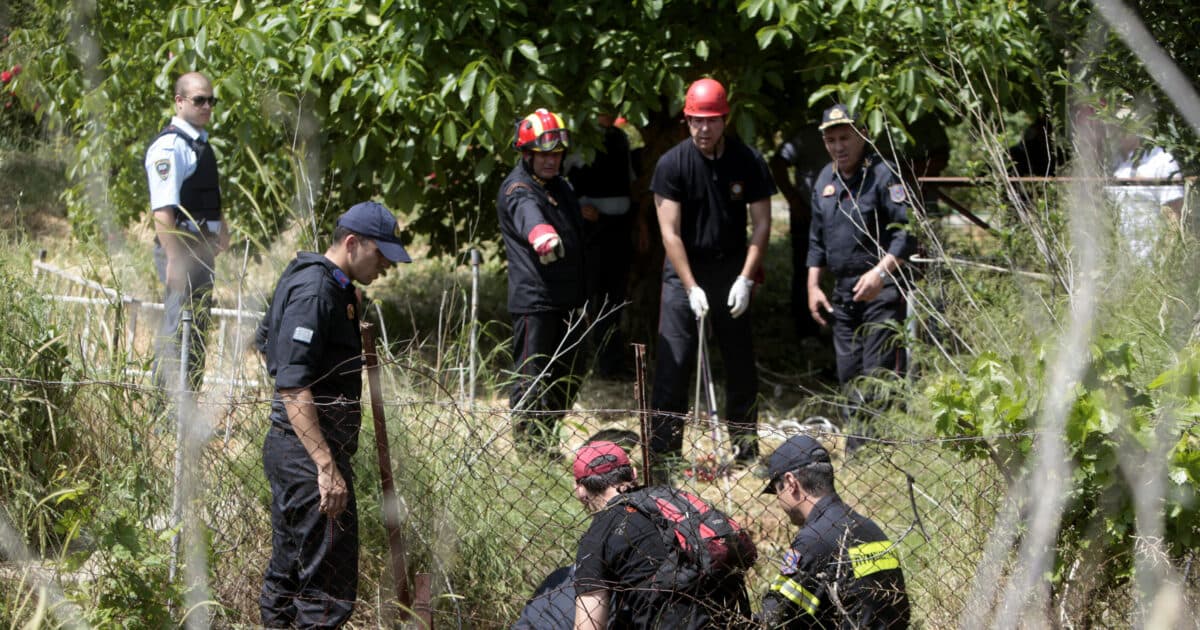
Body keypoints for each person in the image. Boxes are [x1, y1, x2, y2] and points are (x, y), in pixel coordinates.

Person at [257, 201, 411, 628]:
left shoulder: (324, 283)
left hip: (296, 449)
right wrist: (325, 466)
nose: (386, 265)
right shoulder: (316, 291)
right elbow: (292, 383)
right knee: (327, 590)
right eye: (380, 254)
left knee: (290, 573)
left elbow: (267, 343)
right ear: (352, 242)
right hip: (309, 457)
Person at [649, 77, 775, 472]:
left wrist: (746, 278)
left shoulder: (748, 160)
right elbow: (669, 233)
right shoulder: (672, 164)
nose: (704, 129)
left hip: (731, 270)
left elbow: (762, 223)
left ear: (725, 119)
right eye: (696, 121)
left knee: (740, 362)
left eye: (712, 120)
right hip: (683, 271)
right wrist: (690, 287)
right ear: (687, 120)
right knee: (674, 361)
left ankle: (745, 450)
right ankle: (664, 454)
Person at [807, 104, 915, 433]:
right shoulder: (824, 179)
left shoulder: (883, 174)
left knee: (878, 375)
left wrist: (880, 274)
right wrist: (813, 286)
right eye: (831, 140)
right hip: (843, 294)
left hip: (882, 290)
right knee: (849, 375)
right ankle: (857, 449)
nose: (838, 147)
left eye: (845, 138)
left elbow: (906, 234)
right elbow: (816, 240)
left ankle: (879, 449)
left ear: (863, 135)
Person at [572, 441, 751, 628]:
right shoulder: (674, 498)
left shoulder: (597, 535)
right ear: (634, 473)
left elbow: (588, 625)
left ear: (580, 489)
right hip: (727, 621)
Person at [497, 108, 588, 457]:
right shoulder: (519, 187)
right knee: (531, 377)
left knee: (569, 374)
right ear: (527, 154)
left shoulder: (560, 186)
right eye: (543, 154)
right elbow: (528, 213)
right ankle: (529, 452)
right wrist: (542, 235)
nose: (551, 160)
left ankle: (546, 439)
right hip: (536, 302)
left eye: (557, 153)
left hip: (569, 298)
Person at [760, 434, 911, 628]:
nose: (778, 501)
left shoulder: (812, 540)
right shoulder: (870, 528)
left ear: (790, 483)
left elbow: (775, 616)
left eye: (776, 490)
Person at [144, 71, 229, 393]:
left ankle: (187, 407)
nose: (207, 106)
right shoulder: (170, 147)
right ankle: (165, 410)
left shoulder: (200, 144)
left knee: (196, 332)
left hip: (202, 250)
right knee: (178, 329)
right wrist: (174, 259)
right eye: (199, 100)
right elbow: (163, 210)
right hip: (182, 250)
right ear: (179, 102)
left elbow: (208, 196)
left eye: (211, 100)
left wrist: (222, 229)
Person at [565, 112, 637, 378]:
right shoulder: (577, 138)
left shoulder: (620, 138)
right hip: (589, 230)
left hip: (618, 228)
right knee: (583, 296)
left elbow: (629, 180)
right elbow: (559, 182)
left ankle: (610, 363)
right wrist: (576, 209)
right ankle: (574, 362)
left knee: (613, 298)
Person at [771, 118, 830, 345]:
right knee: (804, 271)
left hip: (842, 216)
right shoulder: (807, 134)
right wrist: (794, 200)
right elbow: (778, 162)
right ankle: (806, 330)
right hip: (807, 215)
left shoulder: (856, 132)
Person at [1107, 109, 1185, 262]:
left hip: (1152, 261)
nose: (1119, 132)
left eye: (1126, 126)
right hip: (1122, 261)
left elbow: (1174, 218)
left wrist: (1164, 261)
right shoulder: (1116, 164)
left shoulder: (1162, 161)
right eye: (1115, 126)